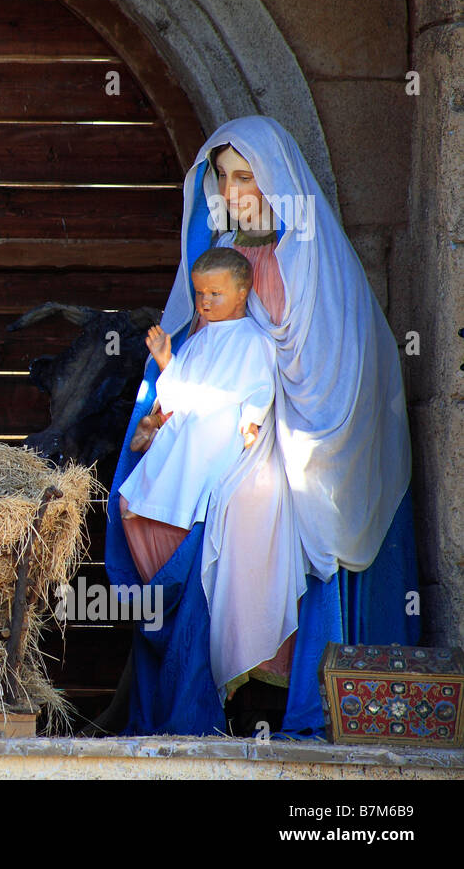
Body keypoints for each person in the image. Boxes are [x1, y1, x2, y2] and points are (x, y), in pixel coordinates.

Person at [106, 116, 419, 736]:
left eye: (244, 175)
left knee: (256, 507)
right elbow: (203, 348)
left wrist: (265, 407)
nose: (231, 191)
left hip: (305, 428)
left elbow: (335, 367)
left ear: (275, 178)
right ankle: (213, 690)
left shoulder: (311, 257)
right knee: (169, 497)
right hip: (234, 420)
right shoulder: (224, 260)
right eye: (221, 177)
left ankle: (281, 694)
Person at [118, 247, 304, 702]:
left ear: (243, 292)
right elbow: (180, 392)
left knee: (197, 495)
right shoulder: (198, 339)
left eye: (215, 294)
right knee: (130, 503)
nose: (204, 303)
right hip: (187, 437)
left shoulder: (255, 340)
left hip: (217, 441)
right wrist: (166, 360)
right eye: (200, 294)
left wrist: (251, 419)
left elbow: (259, 387)